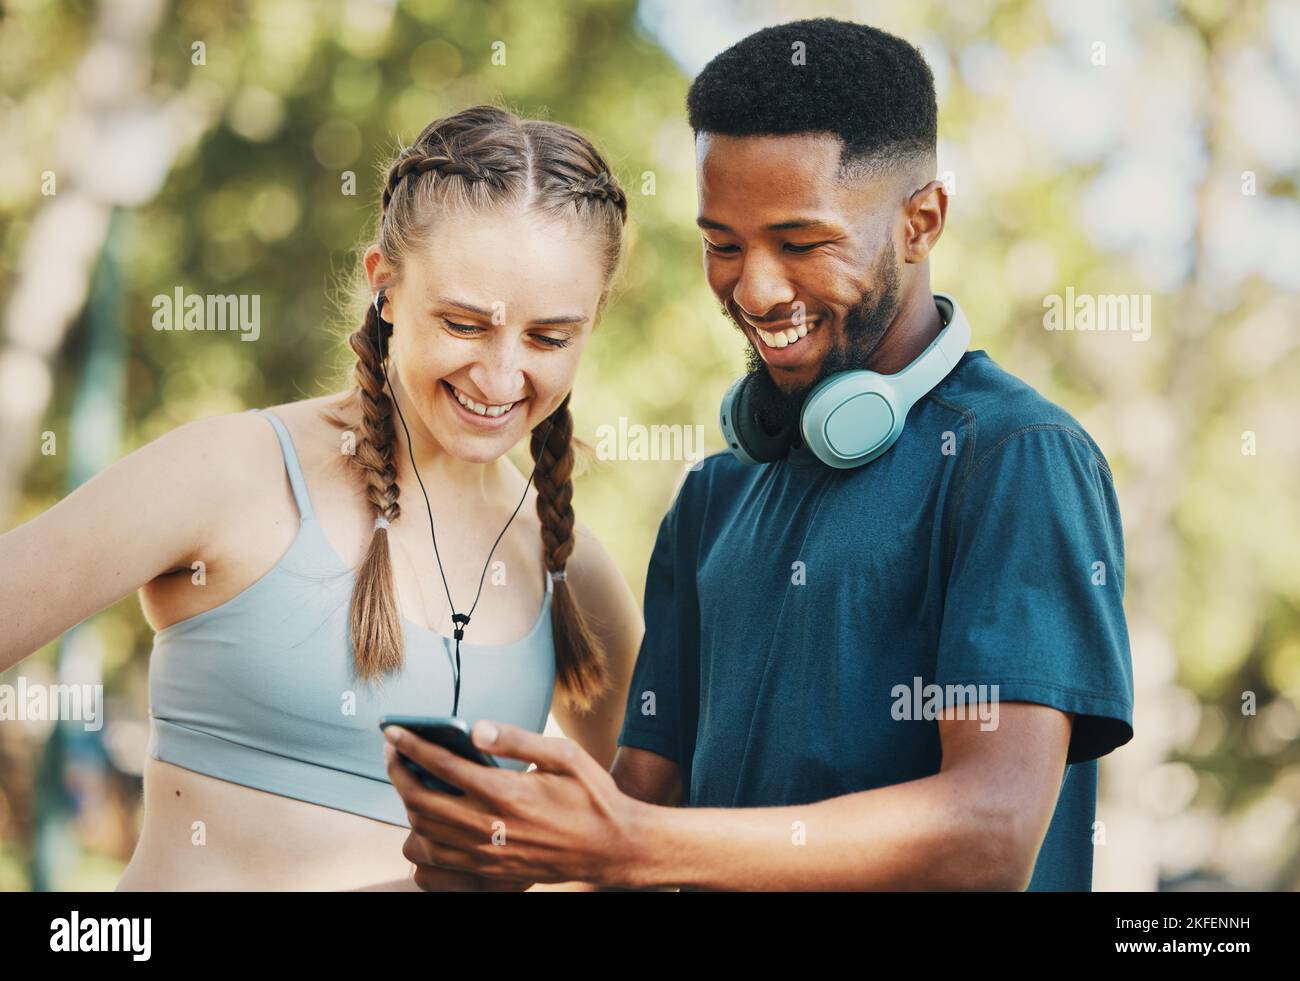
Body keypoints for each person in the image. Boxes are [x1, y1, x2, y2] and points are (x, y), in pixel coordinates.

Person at [388, 19, 1134, 891]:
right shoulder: (711, 498)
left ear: (921, 222)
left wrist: (626, 843)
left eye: (801, 242)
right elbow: (639, 819)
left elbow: (990, 832)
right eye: (723, 244)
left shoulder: (1017, 459)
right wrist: (518, 848)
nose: (755, 288)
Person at [0, 104, 643, 891]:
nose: (503, 376)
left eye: (549, 338)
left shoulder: (570, 572)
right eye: (465, 323)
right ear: (386, 287)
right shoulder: (232, 472)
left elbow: (631, 855)